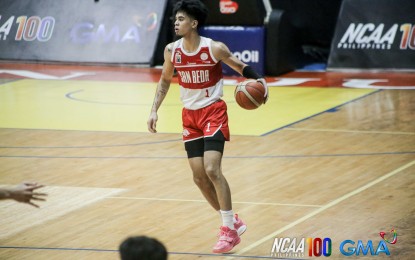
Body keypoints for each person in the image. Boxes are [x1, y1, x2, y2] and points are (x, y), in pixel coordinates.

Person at [147, 0, 268, 254]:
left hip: (213, 111)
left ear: (194, 23)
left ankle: (227, 231)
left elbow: (239, 66)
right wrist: (153, 110)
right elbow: (165, 81)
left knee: (212, 168)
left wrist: (260, 82)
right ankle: (233, 220)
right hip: (189, 117)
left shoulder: (214, 48)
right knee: (199, 177)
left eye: (181, 19)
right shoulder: (172, 51)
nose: (176, 23)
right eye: (175, 19)